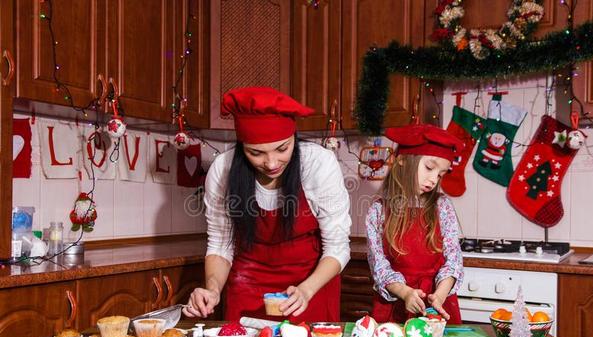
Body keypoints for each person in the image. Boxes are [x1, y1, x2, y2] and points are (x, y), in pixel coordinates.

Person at [183, 87, 351, 323]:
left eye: (282, 148)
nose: (271, 163)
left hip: (310, 286)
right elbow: (221, 245)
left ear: (294, 138)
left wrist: (306, 290)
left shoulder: (318, 164)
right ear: (242, 147)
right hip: (247, 285)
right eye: (256, 153)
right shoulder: (223, 170)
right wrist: (212, 289)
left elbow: (338, 246)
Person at [366, 123, 464, 324]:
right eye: (429, 167)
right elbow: (379, 265)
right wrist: (405, 292)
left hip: (437, 304)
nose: (433, 180)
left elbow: (453, 259)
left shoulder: (442, 206)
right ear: (402, 160)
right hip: (395, 304)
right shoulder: (378, 210)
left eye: (440, 174)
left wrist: (441, 295)